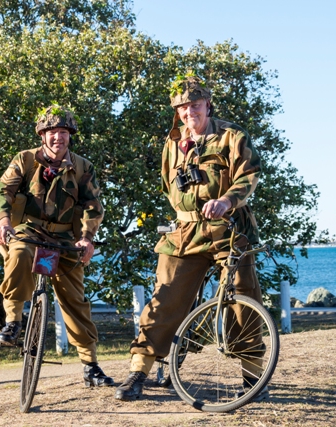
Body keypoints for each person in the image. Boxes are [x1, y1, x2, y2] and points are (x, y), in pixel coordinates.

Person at [114, 75, 266, 400]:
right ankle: (138, 372)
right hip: (184, 232)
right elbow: (168, 184)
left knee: (243, 295)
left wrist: (226, 200)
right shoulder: (172, 143)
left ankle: (253, 377)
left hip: (228, 229)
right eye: (183, 108)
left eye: (194, 105)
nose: (189, 113)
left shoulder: (231, 136)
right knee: (164, 298)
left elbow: (248, 176)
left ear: (207, 105)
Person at [0, 105, 114, 387]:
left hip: (64, 240)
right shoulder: (25, 160)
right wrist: (4, 222)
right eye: (52, 132)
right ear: (42, 135)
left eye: (63, 132)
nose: (58, 137)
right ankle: (13, 322)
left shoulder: (82, 167)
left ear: (70, 135)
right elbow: (2, 191)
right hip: (29, 232)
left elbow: (93, 205)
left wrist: (87, 237)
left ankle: (90, 366)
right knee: (19, 253)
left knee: (75, 301)